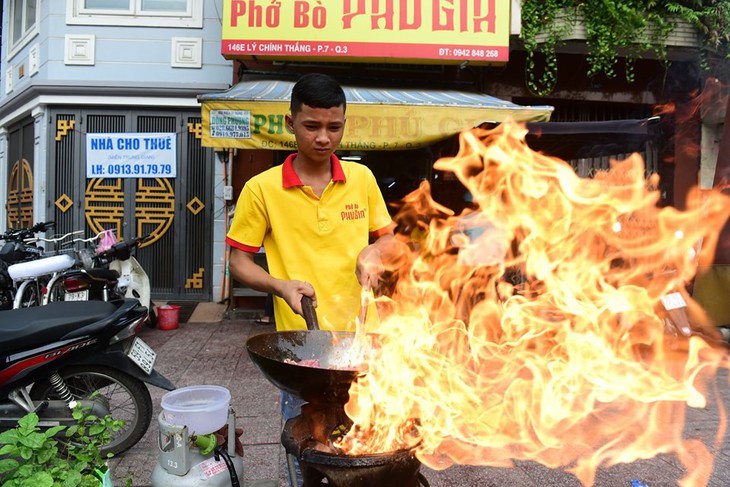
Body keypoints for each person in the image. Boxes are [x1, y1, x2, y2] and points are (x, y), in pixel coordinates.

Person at [225, 73, 394, 485]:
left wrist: (375, 251)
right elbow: (238, 262)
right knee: (308, 455)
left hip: (361, 343)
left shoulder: (362, 179)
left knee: (369, 449)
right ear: (290, 123)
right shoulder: (261, 189)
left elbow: (389, 239)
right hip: (305, 351)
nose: (324, 138)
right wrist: (279, 286)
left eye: (334, 127)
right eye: (312, 126)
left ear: (344, 125)